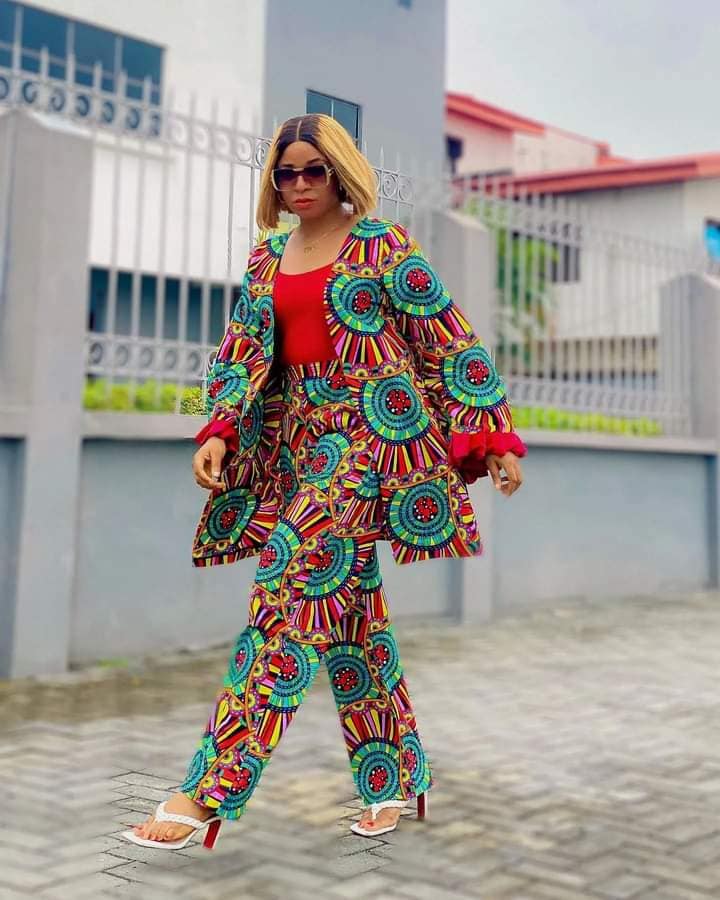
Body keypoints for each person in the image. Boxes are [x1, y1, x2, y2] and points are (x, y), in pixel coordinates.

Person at [124, 113, 526, 851]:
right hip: (299, 448)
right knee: (350, 621)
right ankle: (394, 778)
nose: (300, 183)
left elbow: (447, 337)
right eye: (287, 172)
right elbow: (241, 350)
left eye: (314, 169)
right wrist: (217, 428)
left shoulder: (380, 245)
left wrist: (492, 434)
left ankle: (206, 792)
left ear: (340, 172)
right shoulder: (267, 258)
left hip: (369, 439)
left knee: (284, 592)